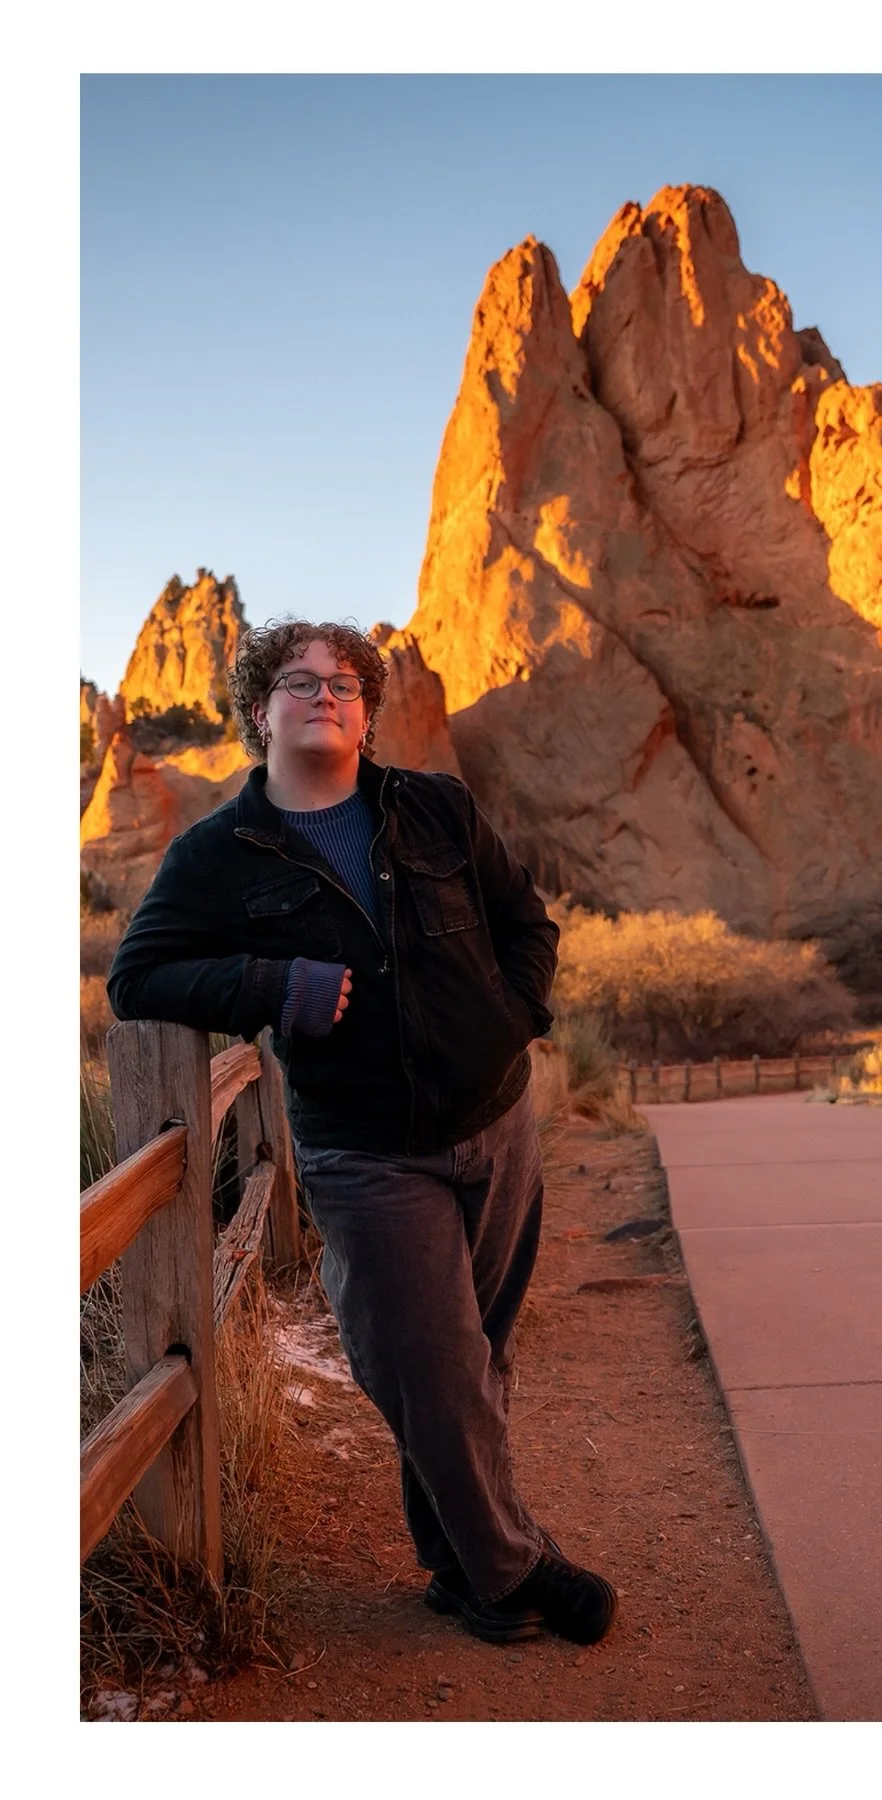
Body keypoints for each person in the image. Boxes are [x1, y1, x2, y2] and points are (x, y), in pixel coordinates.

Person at [107, 617, 617, 1648]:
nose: (326, 695)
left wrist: (512, 1017)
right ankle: (517, 1566)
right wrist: (271, 985)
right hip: (365, 1150)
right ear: (260, 711)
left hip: (499, 1119)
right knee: (429, 1365)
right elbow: (136, 978)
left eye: (345, 682)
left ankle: (458, 1570)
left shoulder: (436, 808)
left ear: (370, 711)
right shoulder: (218, 854)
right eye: (300, 682)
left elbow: (529, 925)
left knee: (478, 1360)